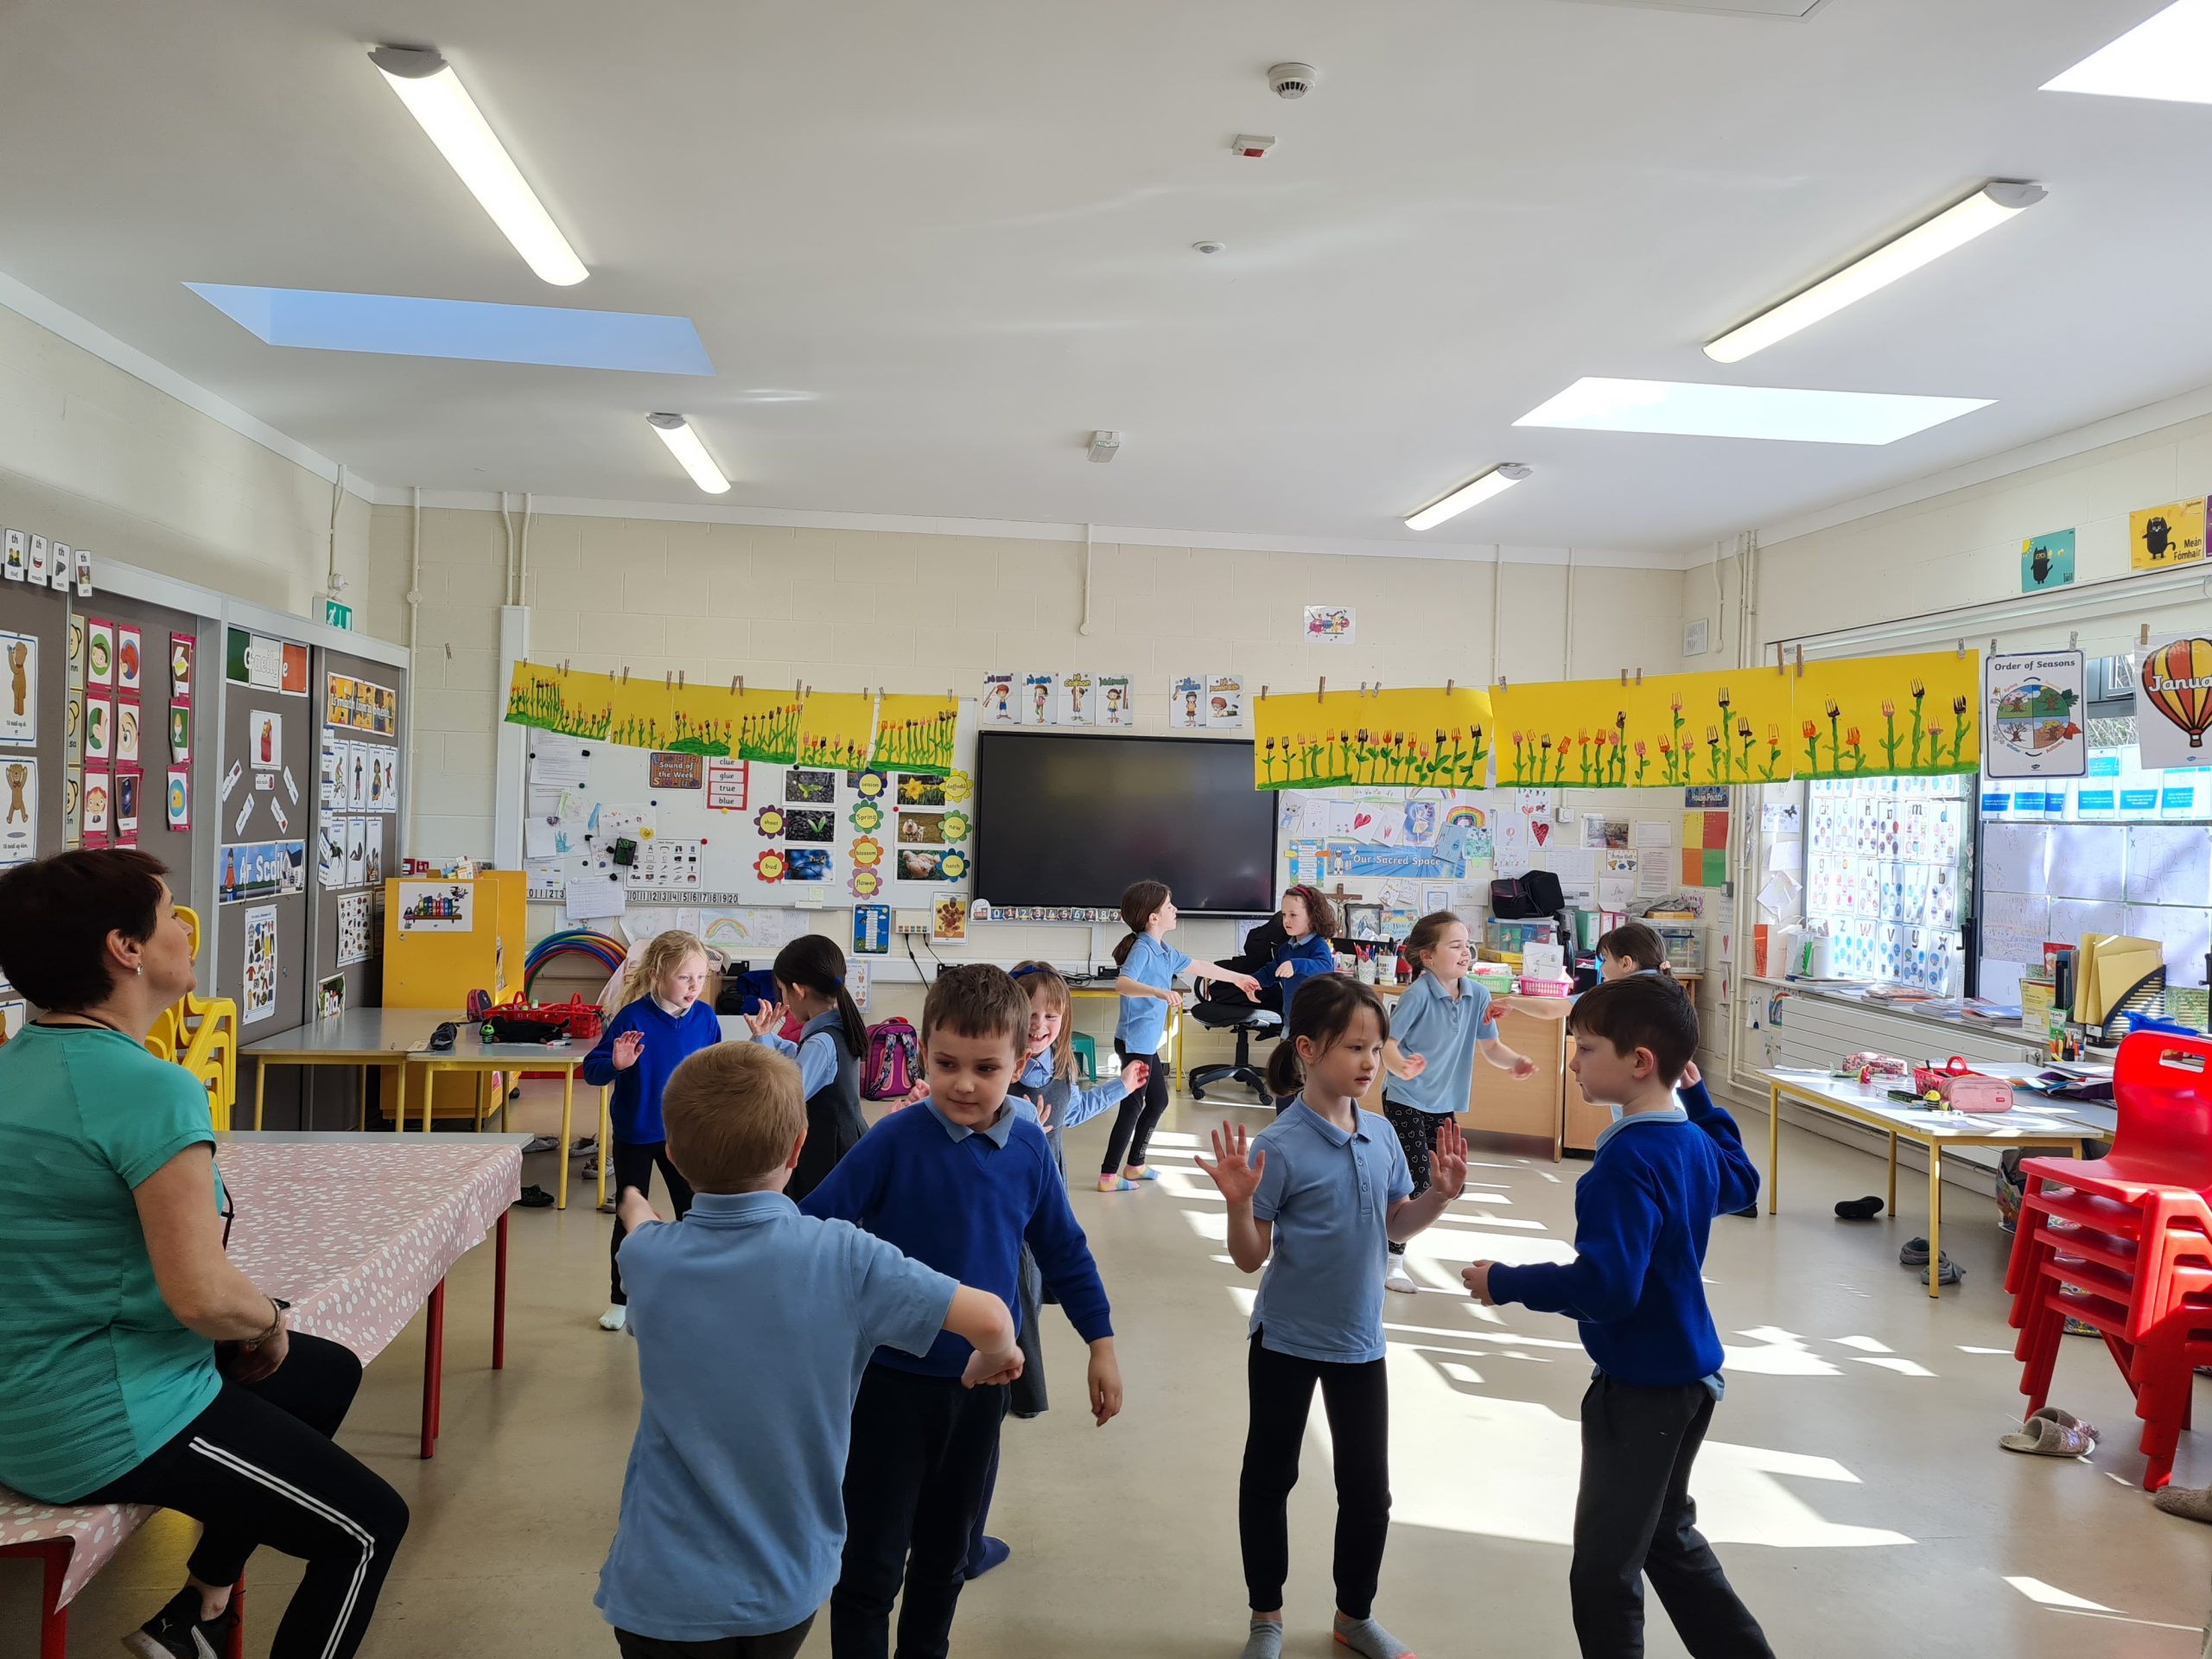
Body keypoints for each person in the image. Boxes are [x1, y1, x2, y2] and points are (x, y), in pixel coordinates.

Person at [0, 849, 408, 1659]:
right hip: (99, 1418)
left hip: (29, 1383)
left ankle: (201, 1607)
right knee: (367, 1530)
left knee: (326, 1372)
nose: (186, 932)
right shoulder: (150, 1090)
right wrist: (268, 1323)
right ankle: (201, 1615)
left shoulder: (18, 1064)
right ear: (126, 949)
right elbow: (201, 1297)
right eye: (169, 917)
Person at [595, 1041, 1023, 1659]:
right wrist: (995, 1356)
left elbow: (640, 1227)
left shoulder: (647, 1258)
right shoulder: (845, 1256)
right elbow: (990, 1317)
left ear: (674, 1156)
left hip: (659, 1591)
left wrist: (635, 1203)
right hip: (784, 1586)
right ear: (798, 1147)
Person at [802, 964, 1123, 1659]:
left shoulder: (1029, 1148)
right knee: (869, 1567)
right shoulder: (894, 1140)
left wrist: (1100, 1343)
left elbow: (1065, 1250)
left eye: (986, 1068)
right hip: (887, 1384)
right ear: (923, 1053)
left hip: (981, 1390)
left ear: (1020, 1061)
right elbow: (814, 1226)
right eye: (947, 1064)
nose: (965, 1084)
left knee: (945, 1557)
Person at [1465, 975, 1772, 1659]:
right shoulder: (1689, 1142)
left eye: (1586, 1049)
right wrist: (1698, 1097)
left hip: (1641, 1391)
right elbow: (1742, 1181)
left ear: (1639, 1062)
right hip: (1690, 1379)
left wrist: (1503, 1281)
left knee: (1605, 1570)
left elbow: (1606, 1289)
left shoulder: (1623, 1166)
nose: (1573, 1062)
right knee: (1665, 1535)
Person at [1194, 975, 1469, 1659]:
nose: (1371, 1062)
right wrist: (1238, 1204)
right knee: (1269, 1479)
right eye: (1355, 1047)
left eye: (1376, 1048)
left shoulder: (1381, 1134)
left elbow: (1395, 1223)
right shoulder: (1281, 1146)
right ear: (1309, 1050)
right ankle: (1266, 1617)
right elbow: (1250, 1259)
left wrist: (1437, 1197)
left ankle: (1355, 1616)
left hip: (1359, 1342)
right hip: (1286, 1340)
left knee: (1368, 1493)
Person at [961, 960, 1150, 1579]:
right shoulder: (1005, 1077)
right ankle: (1019, 1387)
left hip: (1046, 1203)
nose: (1041, 1024)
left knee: (1037, 1286)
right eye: (1032, 1013)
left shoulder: (1057, 1068)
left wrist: (1120, 1087)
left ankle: (1016, 1379)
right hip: (1007, 1209)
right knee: (1012, 1295)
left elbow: (1073, 1111)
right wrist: (1011, 1122)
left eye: (1052, 1014)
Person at [1377, 911, 1535, 1294]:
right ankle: (1391, 1257)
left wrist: (1515, 1061)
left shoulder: (1478, 995)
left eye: (1468, 946)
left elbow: (1491, 1047)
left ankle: (1378, 1216)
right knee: (1417, 1180)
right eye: (1455, 946)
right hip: (1404, 1098)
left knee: (1449, 1181)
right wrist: (1402, 1068)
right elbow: (1388, 1045)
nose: (1466, 953)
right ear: (1428, 956)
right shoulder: (1417, 995)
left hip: (1442, 1102)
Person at [582, 930, 721, 1331]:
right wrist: (616, 1065)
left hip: (685, 1135)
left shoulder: (705, 1018)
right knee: (628, 1216)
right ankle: (620, 1298)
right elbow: (592, 1070)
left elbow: (714, 1071)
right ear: (659, 975)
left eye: (700, 978)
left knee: (695, 1215)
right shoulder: (632, 1018)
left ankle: (696, 1292)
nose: (694, 986)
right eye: (684, 977)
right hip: (636, 1134)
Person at [1103, 880, 1259, 1192]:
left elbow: (1200, 966)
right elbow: (1123, 984)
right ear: (1153, 917)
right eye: (1169, 905)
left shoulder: (1164, 951)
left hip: (1145, 1043)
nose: (1175, 909)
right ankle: (1108, 1176)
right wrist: (1159, 992)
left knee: (1158, 1102)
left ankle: (1135, 1165)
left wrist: (1239, 979)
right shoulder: (1142, 949)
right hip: (1134, 1043)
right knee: (1133, 1106)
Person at [737, 934, 868, 1200]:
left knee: (816, 1214)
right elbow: (801, 1060)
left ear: (798, 991)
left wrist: (762, 1042)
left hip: (826, 1154)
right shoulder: (839, 1024)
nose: (783, 999)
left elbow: (784, 1095)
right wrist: (768, 1037)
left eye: (782, 991)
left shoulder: (821, 1042)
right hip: (841, 1142)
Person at [1200, 885, 1341, 1014]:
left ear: (1312, 916)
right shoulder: (1286, 949)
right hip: (1291, 1019)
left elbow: (1324, 968)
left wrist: (1295, 965)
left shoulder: (1318, 945)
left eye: (1293, 915)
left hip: (1315, 1022)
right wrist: (1253, 982)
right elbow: (1270, 972)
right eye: (1284, 914)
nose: (1286, 920)